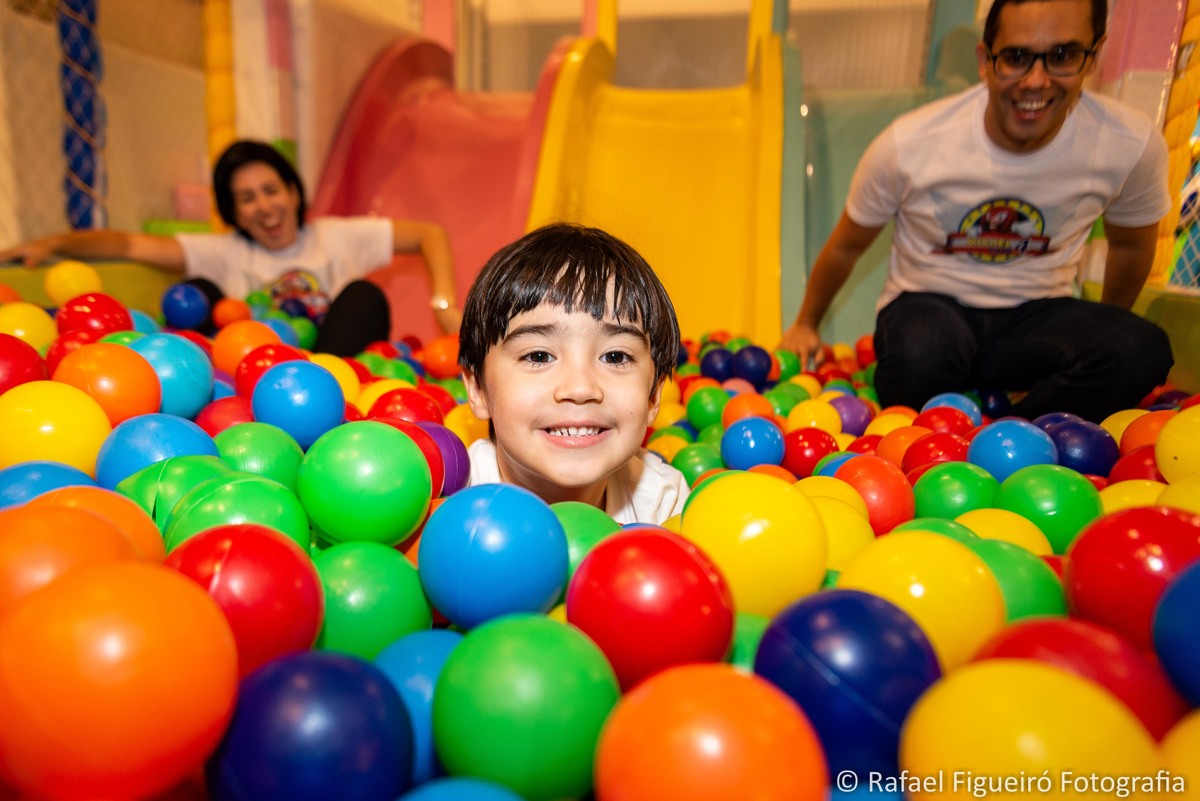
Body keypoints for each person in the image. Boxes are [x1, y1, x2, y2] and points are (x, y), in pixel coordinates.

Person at [778, 0, 1174, 423]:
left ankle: (1012, 434)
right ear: (985, 61)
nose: (1036, 81)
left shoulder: (1128, 145)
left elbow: (1131, 247)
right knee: (920, 351)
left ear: (1092, 57)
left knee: (1139, 349)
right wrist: (806, 324)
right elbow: (846, 247)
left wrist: (1104, 332)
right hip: (933, 307)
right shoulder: (909, 144)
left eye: (1063, 56)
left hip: (1037, 319)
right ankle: (973, 429)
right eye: (1016, 58)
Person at [0, 139, 462, 356]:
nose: (264, 207)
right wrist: (56, 241)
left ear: (293, 192)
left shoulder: (334, 236)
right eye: (247, 198)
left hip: (329, 367)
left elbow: (428, 234)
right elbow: (129, 244)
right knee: (197, 290)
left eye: (271, 190)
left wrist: (443, 304)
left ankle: (321, 379)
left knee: (365, 296)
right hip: (250, 370)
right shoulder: (224, 252)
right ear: (234, 212)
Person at [458, 222, 689, 525]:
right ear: (478, 389)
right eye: (539, 356)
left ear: (654, 396)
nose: (580, 388)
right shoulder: (451, 499)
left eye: (615, 356)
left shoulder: (664, 504)